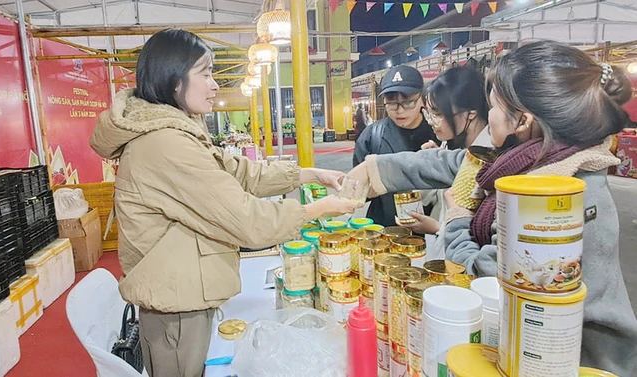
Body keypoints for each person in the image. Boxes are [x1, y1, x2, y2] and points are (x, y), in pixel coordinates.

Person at [349, 40, 637, 376]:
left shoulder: (551, 201)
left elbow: (478, 278)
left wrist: (455, 221)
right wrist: (376, 170)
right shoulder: (534, 155)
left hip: (580, 361)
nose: (488, 119)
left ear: (522, 120)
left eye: (493, 107)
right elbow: (455, 163)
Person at [89, 29, 360, 377]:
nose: (214, 84)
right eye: (205, 73)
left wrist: (309, 174)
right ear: (174, 81)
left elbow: (237, 172)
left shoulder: (178, 129)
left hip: (185, 291)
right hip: (177, 308)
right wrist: (318, 209)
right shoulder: (165, 144)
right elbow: (247, 219)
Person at [396, 67, 490, 260]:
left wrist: (438, 228)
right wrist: (434, 165)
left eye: (438, 114)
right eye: (429, 113)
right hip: (443, 255)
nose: (431, 121)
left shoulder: (487, 158)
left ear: (471, 112)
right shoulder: (451, 146)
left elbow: (482, 235)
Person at [352, 65, 438, 227]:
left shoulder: (439, 134)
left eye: (408, 103)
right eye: (392, 104)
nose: (399, 111)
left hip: (432, 232)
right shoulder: (372, 136)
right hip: (384, 231)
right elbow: (358, 190)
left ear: (423, 98)